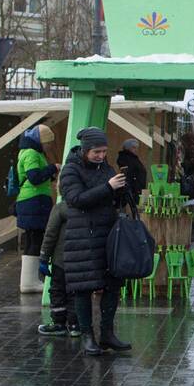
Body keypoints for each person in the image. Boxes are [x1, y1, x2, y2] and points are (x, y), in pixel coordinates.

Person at [59, 127, 131, 356]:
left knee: (112, 284)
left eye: (103, 151)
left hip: (108, 235)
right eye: (96, 152)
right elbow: (76, 199)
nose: (101, 156)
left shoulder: (105, 167)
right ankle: (87, 336)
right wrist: (108, 187)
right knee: (83, 288)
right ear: (85, 150)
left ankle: (107, 333)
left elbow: (111, 197)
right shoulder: (71, 170)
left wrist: (122, 189)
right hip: (83, 237)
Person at [16, 124, 59, 294]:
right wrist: (52, 168)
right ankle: (29, 282)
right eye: (47, 143)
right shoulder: (31, 153)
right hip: (33, 201)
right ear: (40, 140)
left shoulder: (31, 152)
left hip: (34, 201)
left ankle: (29, 280)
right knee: (35, 239)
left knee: (33, 239)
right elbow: (34, 177)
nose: (48, 146)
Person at [37, 200, 78, 337]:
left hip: (60, 259)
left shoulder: (60, 208)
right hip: (80, 260)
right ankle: (75, 324)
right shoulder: (87, 206)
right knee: (76, 292)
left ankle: (59, 323)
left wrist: (43, 257)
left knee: (58, 291)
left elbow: (50, 234)